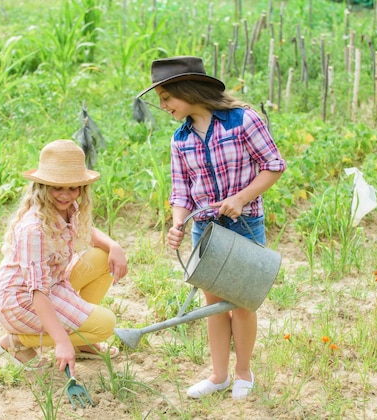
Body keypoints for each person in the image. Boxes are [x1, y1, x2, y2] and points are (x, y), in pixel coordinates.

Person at [137, 56, 286, 400]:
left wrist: (242, 197)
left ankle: (243, 372)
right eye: (160, 101)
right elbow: (180, 191)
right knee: (212, 303)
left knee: (242, 303)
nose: (163, 107)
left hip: (243, 224)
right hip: (203, 230)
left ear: (187, 91)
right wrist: (177, 224)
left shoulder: (243, 120)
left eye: (166, 98)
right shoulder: (180, 138)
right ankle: (219, 375)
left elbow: (274, 165)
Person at [0, 139, 128, 376]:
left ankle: (82, 341)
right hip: (22, 300)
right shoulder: (34, 229)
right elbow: (37, 291)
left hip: (53, 284)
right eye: (58, 188)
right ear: (43, 187)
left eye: (73, 188)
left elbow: (87, 233)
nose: (66, 195)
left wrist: (113, 245)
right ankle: (17, 342)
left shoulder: (67, 208)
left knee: (101, 257)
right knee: (105, 324)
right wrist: (62, 341)